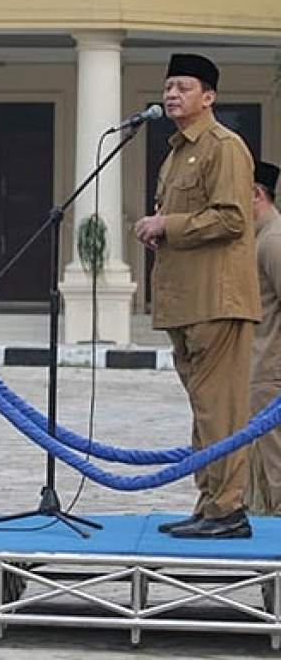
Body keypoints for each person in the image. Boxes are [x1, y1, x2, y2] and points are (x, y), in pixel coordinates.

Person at [135, 53, 260, 539]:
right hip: (186, 301)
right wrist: (157, 229)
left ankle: (229, 510)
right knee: (203, 411)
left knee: (221, 410)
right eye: (168, 87)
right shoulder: (174, 153)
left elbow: (232, 218)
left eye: (183, 87)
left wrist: (169, 223)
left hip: (217, 299)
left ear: (208, 97)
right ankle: (210, 504)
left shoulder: (223, 147)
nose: (171, 95)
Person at [245, 161, 281, 515]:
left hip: (271, 374)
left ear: (256, 193)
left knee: (276, 469)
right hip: (256, 372)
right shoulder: (257, 239)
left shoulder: (273, 241)